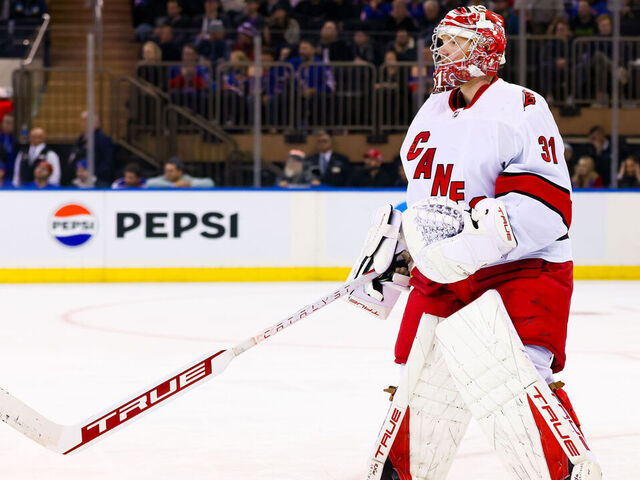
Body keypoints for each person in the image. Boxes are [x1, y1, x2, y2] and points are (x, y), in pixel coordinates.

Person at [346, 7, 602, 480]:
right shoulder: (431, 111)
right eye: (441, 40)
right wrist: (401, 252)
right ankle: (401, 473)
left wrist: (468, 245)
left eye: (455, 40)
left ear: (485, 46)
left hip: (520, 269)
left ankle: (564, 472)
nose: (441, 49)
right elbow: (424, 200)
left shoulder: (522, 106)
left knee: (519, 380)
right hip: (442, 272)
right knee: (418, 380)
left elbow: (546, 209)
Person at [66, 111, 114, 186]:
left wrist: (94, 175)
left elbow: (107, 161)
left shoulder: (103, 139)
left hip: (96, 180)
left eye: (86, 121)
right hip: (78, 179)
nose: (83, 124)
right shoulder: (81, 139)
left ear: (96, 123)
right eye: (82, 121)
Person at [146, 157, 214, 188]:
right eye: (166, 170)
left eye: (171, 171)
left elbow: (210, 183)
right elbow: (149, 183)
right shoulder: (164, 178)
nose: (168, 173)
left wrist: (190, 185)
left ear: (180, 171)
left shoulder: (186, 179)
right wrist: (174, 185)